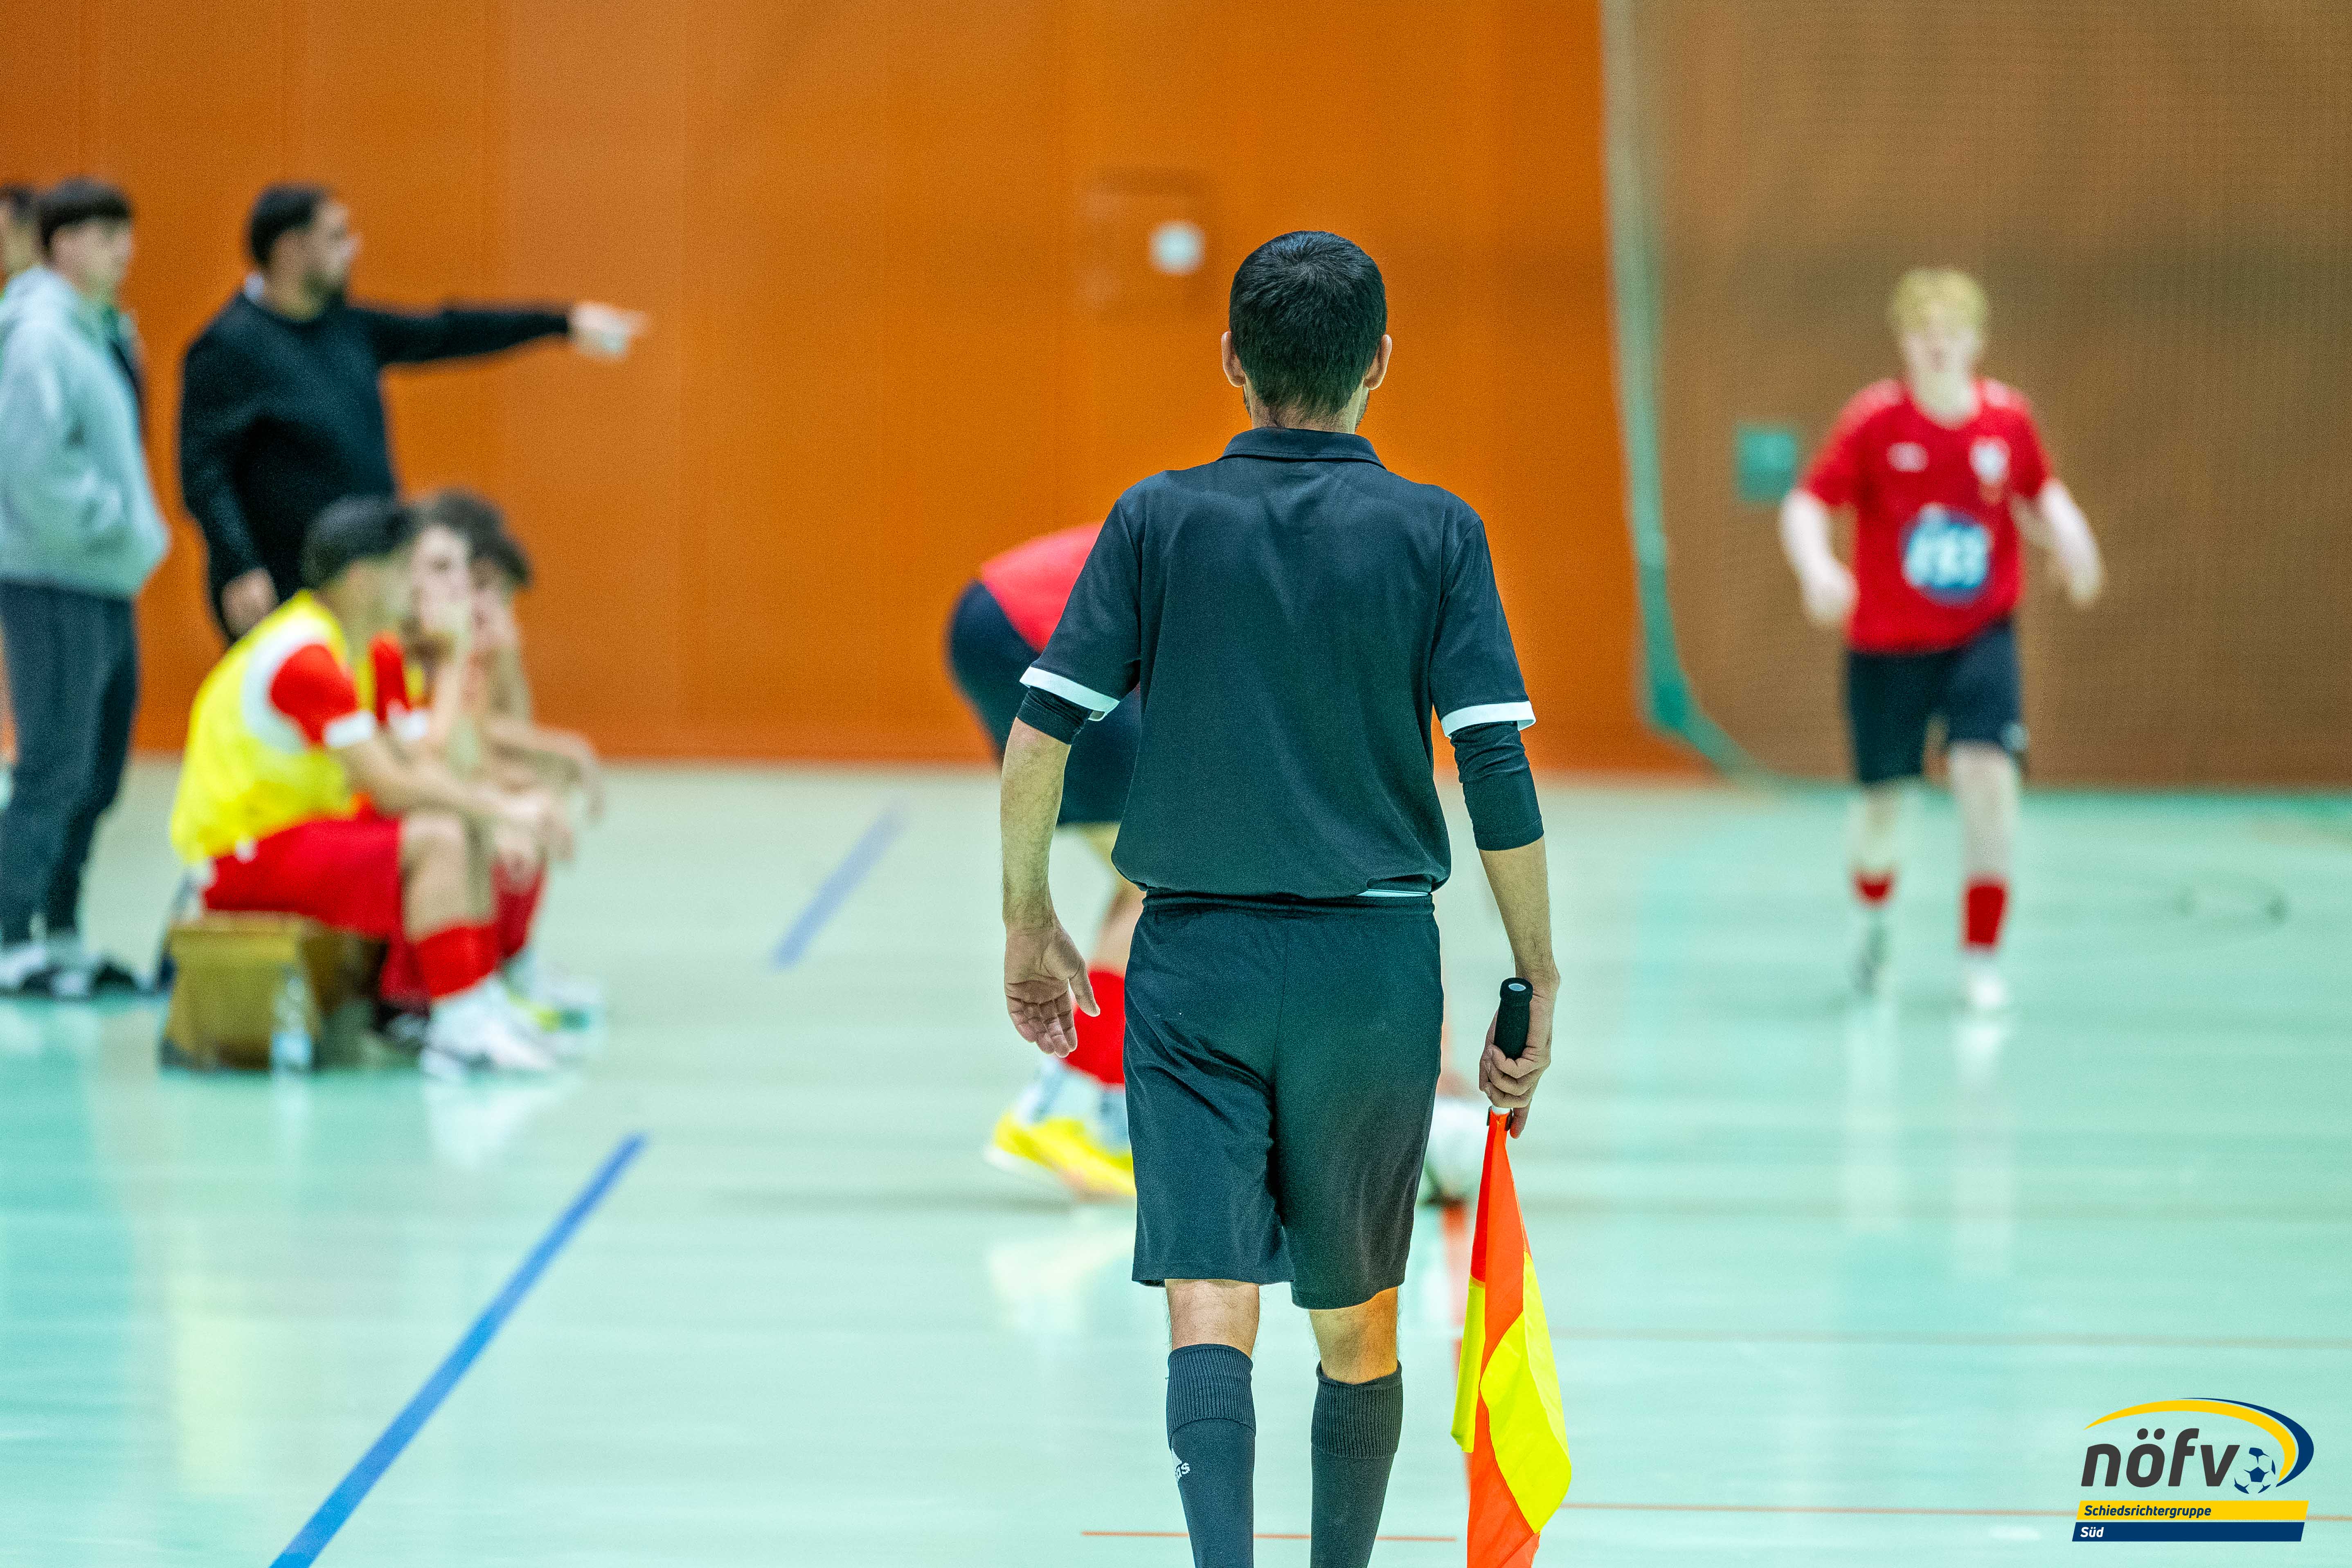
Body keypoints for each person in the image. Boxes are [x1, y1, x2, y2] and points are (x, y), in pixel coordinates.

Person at [996, 232, 1557, 1568]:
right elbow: (1493, 762)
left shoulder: (1157, 518)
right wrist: (1535, 972)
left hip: (1193, 962)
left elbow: (1041, 733)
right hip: (1373, 967)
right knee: (1356, 1322)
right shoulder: (1436, 531)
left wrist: (1028, 918)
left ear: (1231, 362)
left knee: (1207, 1299)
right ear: (1378, 363)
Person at [1779, 268, 2103, 1012]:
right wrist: (1817, 568)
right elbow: (1807, 502)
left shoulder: (2006, 421)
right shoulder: (1874, 420)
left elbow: (2038, 490)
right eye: (1924, 333)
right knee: (1881, 810)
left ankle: (1980, 959)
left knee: (1987, 777)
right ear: (1903, 340)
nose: (1937, 346)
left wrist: (2071, 536)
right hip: (1886, 647)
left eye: (1951, 334)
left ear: (1975, 342)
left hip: (1977, 638)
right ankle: (1873, 923)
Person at [168, 496, 572, 1075]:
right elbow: (390, 786)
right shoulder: (305, 657)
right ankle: (457, 1026)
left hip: (291, 836)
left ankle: (478, 1000)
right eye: (404, 567)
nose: (414, 584)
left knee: (457, 823)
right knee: (438, 836)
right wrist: (502, 810)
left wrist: (494, 807)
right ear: (362, 578)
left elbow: (418, 766)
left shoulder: (352, 648)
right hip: (238, 855)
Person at [178, 182, 648, 638]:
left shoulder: (348, 328)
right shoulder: (227, 349)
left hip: (364, 575)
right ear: (291, 248)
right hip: (283, 581)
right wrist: (239, 564)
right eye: (336, 236)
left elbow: (448, 331)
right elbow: (203, 474)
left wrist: (563, 323)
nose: (353, 248)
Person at [0, 178, 170, 998]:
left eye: (124, 233)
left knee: (99, 769)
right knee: (54, 765)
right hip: (53, 572)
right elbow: (33, 464)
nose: (121, 251)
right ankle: (9, 935)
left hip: (102, 577)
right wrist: (113, 521)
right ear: (58, 242)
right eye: (102, 234)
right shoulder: (38, 336)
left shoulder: (100, 330)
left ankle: (61, 928)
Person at [950, 524, 1146, 1198]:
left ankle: (1086, 1110)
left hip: (993, 616)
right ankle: (1063, 1106)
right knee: (1163, 883)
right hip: (1025, 630)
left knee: (1145, 878)